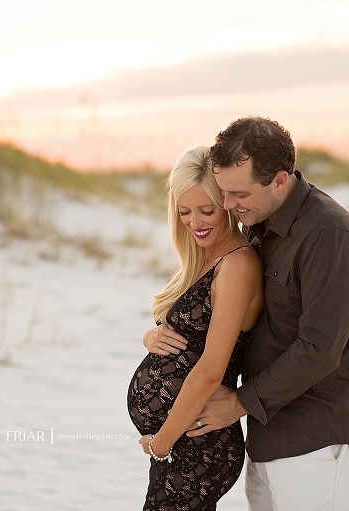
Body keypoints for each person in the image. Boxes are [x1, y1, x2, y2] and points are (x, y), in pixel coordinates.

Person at [145, 117, 349, 510]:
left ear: (280, 181)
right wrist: (157, 336)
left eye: (238, 193)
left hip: (317, 439)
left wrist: (237, 402)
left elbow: (320, 348)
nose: (228, 205)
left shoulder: (328, 233)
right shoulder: (258, 226)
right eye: (224, 193)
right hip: (267, 436)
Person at [127, 146, 264, 510]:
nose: (195, 222)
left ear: (229, 205)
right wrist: (151, 335)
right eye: (184, 212)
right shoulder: (204, 258)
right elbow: (185, 335)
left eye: (207, 211)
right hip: (182, 442)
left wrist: (162, 442)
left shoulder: (237, 266)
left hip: (200, 445)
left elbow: (210, 370)